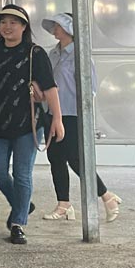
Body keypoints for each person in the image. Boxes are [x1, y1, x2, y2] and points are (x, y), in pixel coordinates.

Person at [0, 4, 65, 245]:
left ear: (24, 26)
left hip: (28, 123)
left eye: (13, 22)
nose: (7, 27)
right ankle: (23, 204)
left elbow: (50, 87)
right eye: (3, 22)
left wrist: (57, 119)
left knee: (22, 173)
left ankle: (18, 222)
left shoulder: (34, 53)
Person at [40, 13, 122, 222]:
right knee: (55, 159)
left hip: (72, 114)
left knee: (75, 159)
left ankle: (106, 196)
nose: (55, 29)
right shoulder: (53, 54)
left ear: (70, 29)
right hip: (51, 113)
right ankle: (64, 204)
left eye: (59, 25)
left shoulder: (81, 55)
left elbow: (90, 88)